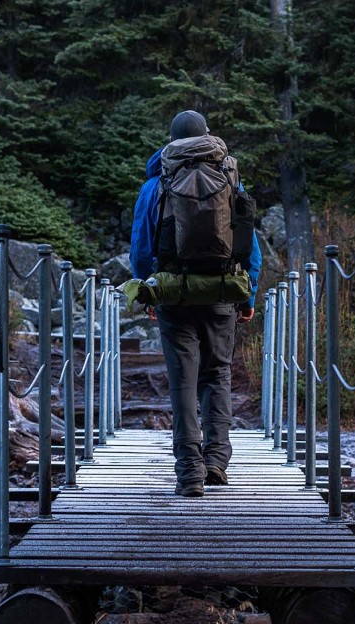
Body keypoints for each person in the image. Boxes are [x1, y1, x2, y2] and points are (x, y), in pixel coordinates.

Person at [131, 110, 262, 498]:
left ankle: (189, 472)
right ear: (207, 137)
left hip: (173, 292)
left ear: (170, 141)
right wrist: (248, 295)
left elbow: (141, 246)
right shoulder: (229, 175)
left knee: (183, 382)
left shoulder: (157, 182)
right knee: (216, 375)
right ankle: (217, 461)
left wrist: (147, 293)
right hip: (222, 291)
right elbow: (247, 241)